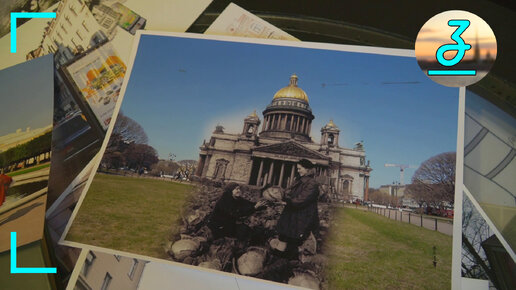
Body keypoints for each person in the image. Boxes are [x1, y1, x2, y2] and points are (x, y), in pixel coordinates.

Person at [271, 159, 320, 259]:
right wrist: (278, 194)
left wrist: (285, 200)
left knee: (292, 243)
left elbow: (301, 200)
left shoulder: (312, 183)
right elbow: (288, 193)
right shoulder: (299, 180)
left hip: (301, 217)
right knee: (283, 239)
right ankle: (277, 262)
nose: (298, 170)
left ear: (307, 169)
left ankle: (286, 265)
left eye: (299, 168)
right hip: (292, 215)